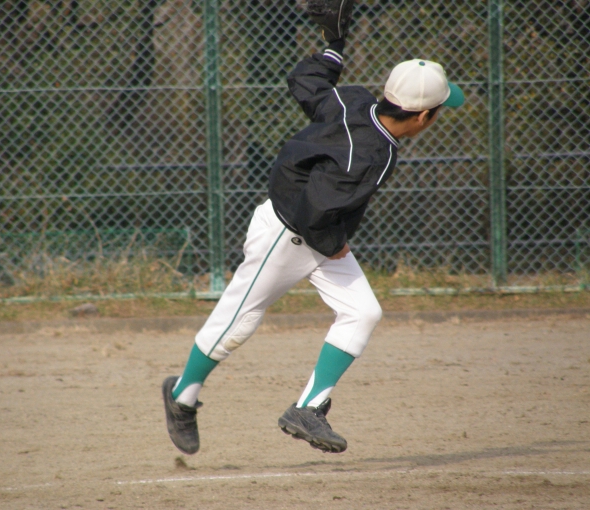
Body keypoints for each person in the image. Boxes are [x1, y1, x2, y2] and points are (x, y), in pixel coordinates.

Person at [162, 11, 464, 455]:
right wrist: (334, 244)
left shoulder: (353, 100)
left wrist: (333, 46)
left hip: (315, 234)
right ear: (422, 117)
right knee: (237, 322)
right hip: (285, 235)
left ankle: (308, 407)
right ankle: (181, 397)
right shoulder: (371, 155)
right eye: (438, 111)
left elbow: (306, 82)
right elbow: (315, 209)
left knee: (362, 312)